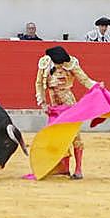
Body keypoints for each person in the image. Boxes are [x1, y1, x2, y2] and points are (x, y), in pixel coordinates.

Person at [34, 46, 98, 179]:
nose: (61, 65)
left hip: (68, 102)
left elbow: (84, 79)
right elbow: (39, 83)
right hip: (53, 103)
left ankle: (78, 169)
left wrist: (97, 87)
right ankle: (64, 168)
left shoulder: (71, 63)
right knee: (57, 136)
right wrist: (43, 103)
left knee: (74, 135)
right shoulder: (45, 63)